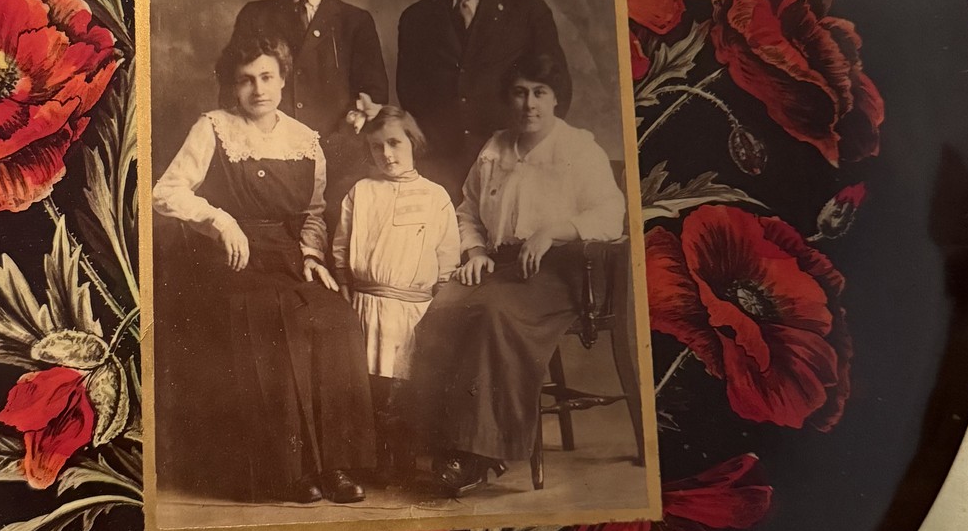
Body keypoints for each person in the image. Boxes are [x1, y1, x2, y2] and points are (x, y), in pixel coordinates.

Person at [151, 32, 375, 506]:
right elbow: (165, 192)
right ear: (233, 87)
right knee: (274, 319)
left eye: (267, 77)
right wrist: (219, 219)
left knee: (335, 318)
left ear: (282, 77)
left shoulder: (305, 140)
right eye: (246, 80)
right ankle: (286, 470)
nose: (258, 89)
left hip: (287, 256)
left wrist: (312, 257)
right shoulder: (212, 127)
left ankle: (332, 465)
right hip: (228, 259)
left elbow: (313, 213)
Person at [405, 49, 626, 497]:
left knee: (491, 314)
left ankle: (480, 454)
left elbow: (611, 215)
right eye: (520, 93)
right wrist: (477, 250)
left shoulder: (577, 148)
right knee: (440, 308)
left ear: (556, 98)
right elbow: (467, 209)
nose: (529, 104)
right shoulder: (496, 148)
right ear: (509, 98)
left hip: (563, 273)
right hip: (502, 267)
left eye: (539, 93)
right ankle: (437, 444)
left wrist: (553, 231)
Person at [395, 0, 567, 201]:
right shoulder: (416, 18)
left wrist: (527, 148)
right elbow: (410, 94)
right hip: (440, 169)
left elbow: (557, 88)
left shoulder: (527, 10)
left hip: (512, 165)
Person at [331, 110, 459, 479]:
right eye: (376, 147)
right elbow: (342, 244)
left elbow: (447, 255)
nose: (386, 154)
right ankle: (372, 459)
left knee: (403, 386)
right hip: (366, 303)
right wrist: (343, 281)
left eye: (394, 143)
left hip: (414, 307)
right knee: (369, 387)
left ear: (412, 142)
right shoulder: (361, 192)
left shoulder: (435, 196)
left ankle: (403, 456)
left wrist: (440, 298)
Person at [231, 0, 389, 205]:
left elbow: (374, 95)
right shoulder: (256, 15)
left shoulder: (356, 21)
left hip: (338, 160)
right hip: (267, 156)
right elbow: (231, 87)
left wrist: (340, 143)